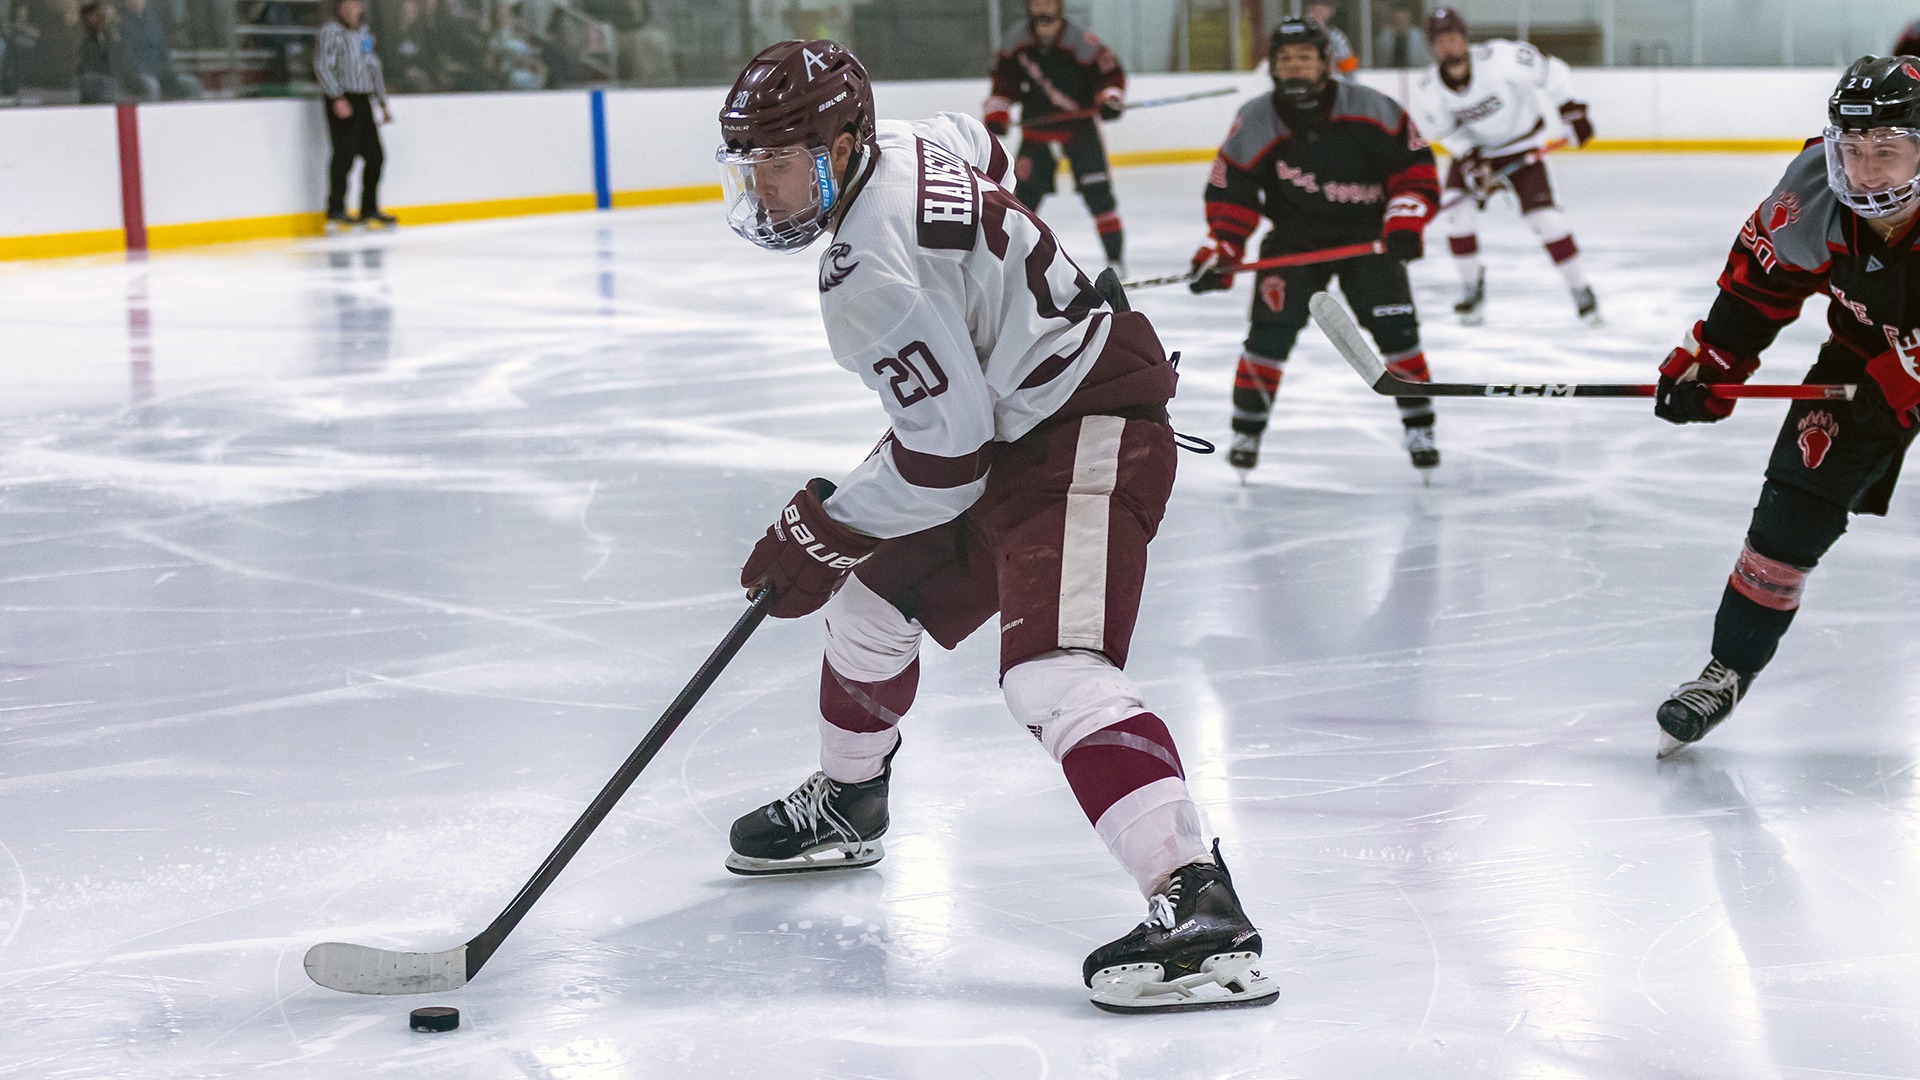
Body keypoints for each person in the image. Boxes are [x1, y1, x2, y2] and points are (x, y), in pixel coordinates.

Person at [714, 38, 1276, 1013]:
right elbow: (987, 148)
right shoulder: (915, 141)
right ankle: (850, 800)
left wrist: (821, 531)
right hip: (1021, 424)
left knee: (1054, 674)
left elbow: (942, 463)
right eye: (749, 162)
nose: (761, 190)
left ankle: (1202, 912)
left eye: (777, 161)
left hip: (1087, 432)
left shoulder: (862, 277)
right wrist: (997, 304)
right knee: (868, 609)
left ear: (842, 143)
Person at [1651, 56, 1920, 759]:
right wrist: (1715, 363)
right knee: (1790, 511)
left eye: (1885, 152)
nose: (1864, 173)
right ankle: (1728, 668)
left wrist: (1905, 376)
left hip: (1897, 365)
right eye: (1853, 150)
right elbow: (1756, 287)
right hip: (1864, 353)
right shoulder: (1816, 192)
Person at [1190, 18, 1440, 477]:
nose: (1295, 67)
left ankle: (1419, 426)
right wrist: (1222, 249)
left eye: (1305, 57)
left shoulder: (1371, 108)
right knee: (1267, 337)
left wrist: (1404, 218)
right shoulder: (1256, 118)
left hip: (1368, 240)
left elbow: (1415, 168)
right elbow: (1232, 189)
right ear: (1273, 67)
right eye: (1286, 59)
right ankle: (1247, 431)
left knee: (1398, 335)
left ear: (1325, 63)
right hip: (1293, 242)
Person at [1409, 7, 1598, 327]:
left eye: (1453, 37)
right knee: (1458, 218)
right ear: (1430, 47)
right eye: (1439, 41)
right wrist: (1471, 161)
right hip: (1477, 153)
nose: (1448, 46)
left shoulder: (1501, 58)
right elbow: (1447, 131)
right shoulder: (1429, 88)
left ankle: (1580, 289)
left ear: (1464, 38)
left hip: (1521, 146)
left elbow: (1551, 71)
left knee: (1547, 222)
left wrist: (1571, 109)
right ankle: (1471, 287)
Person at [983, 0, 1129, 273]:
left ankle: (1115, 260)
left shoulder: (1082, 41)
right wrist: (998, 112)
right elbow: (1003, 82)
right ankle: (1011, 265)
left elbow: (1110, 75)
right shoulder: (1017, 39)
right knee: (1021, 201)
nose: (1042, 10)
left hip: (1079, 131)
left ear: (1060, 8)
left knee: (1099, 196)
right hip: (1037, 132)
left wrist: (1109, 98)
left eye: (1048, 3)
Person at [314, 0, 394, 231]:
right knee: (344, 155)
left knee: (375, 156)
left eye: (356, 4)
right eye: (348, 4)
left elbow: (373, 66)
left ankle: (369, 208)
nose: (353, 9)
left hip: (362, 98)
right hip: (343, 96)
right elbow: (322, 66)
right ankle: (335, 210)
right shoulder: (331, 32)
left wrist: (381, 101)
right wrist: (336, 96)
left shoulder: (364, 33)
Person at [114, 0, 197, 99]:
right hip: (137, 75)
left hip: (161, 71)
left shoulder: (153, 21)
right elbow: (126, 57)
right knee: (152, 85)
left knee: (192, 84)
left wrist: (167, 69)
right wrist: (144, 71)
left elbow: (163, 48)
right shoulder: (120, 23)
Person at [1303, 0, 1357, 77]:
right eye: (1315, 5)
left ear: (1331, 11)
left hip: (1332, 85)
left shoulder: (1337, 37)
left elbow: (1349, 69)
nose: (1318, 9)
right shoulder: (1299, 33)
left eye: (1324, 6)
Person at [1374, 5, 1429, 69]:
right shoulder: (1386, 36)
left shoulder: (1417, 35)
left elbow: (1422, 59)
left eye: (1403, 19)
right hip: (1389, 72)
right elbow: (1381, 59)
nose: (1401, 22)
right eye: (1398, 20)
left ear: (1409, 19)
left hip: (1413, 72)